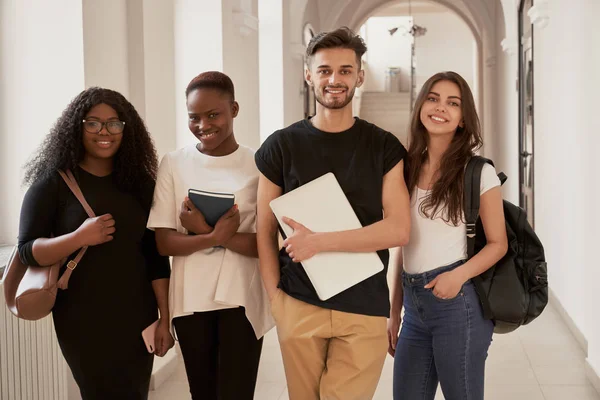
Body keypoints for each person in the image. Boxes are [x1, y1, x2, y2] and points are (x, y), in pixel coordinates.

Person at [255, 27, 411, 400]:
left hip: (364, 308)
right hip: (299, 303)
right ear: (309, 75)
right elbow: (262, 229)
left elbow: (399, 229)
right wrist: (276, 299)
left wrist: (319, 243)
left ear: (359, 76)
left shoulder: (383, 146)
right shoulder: (281, 146)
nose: (334, 80)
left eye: (345, 70)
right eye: (324, 70)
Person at [17, 87, 173, 400]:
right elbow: (27, 251)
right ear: (78, 126)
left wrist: (165, 319)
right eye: (93, 123)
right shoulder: (53, 183)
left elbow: (156, 257)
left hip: (136, 312)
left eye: (114, 124)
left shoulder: (140, 184)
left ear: (125, 130)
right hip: (81, 315)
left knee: (134, 393)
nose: (104, 132)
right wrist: (79, 237)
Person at [147, 71, 272, 400]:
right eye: (194, 117)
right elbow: (163, 241)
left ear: (234, 109)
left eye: (213, 114)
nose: (203, 125)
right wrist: (212, 235)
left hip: (242, 296)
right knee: (202, 392)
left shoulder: (260, 165)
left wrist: (209, 232)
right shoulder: (173, 164)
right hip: (190, 299)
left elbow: (267, 244)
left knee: (236, 392)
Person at [388, 71, 508, 400]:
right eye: (433, 98)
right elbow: (403, 241)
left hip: (459, 305)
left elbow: (499, 244)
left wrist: (457, 277)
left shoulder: (478, 172)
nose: (440, 107)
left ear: (463, 119)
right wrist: (394, 309)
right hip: (413, 309)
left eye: (452, 103)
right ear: (420, 106)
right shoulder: (405, 168)